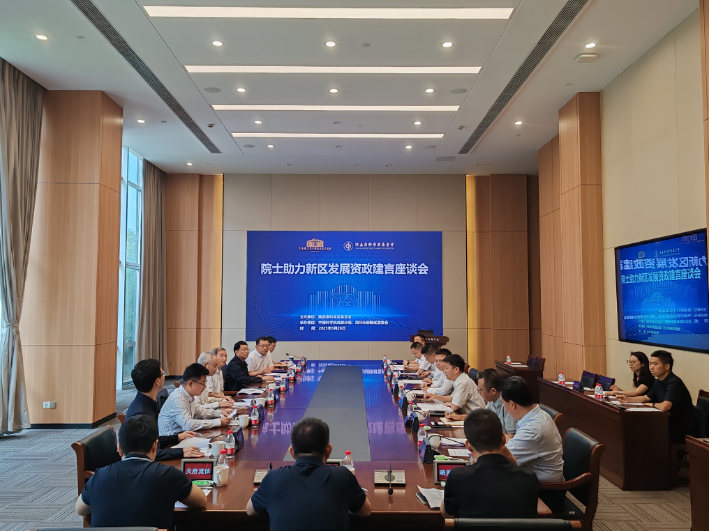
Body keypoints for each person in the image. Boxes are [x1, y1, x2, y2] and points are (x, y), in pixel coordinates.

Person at [75, 415, 206, 528]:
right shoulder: (169, 474)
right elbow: (201, 501)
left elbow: (80, 509)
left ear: (120, 449)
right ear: (155, 446)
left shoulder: (99, 475)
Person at [246, 417, 371, 530]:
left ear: (291, 452)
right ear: (329, 450)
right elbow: (365, 511)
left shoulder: (274, 478)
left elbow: (250, 510)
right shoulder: (343, 476)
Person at [441, 409, 539, 519]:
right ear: (503, 439)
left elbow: (447, 514)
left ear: (468, 446)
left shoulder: (458, 476)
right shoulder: (529, 477)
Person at [502, 376, 564, 511]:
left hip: (545, 491)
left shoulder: (534, 428)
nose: (504, 408)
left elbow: (502, 459)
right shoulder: (536, 414)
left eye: (504, 404)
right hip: (532, 479)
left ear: (512, 404)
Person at [125, 359, 203, 460]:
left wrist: (176, 438)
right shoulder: (140, 414)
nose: (164, 376)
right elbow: (145, 453)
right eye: (163, 374)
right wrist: (182, 452)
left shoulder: (148, 402)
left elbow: (152, 439)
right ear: (157, 381)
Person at [619, 350, 694, 442]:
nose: (651, 367)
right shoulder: (658, 381)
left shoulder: (675, 382)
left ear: (667, 366)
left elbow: (665, 406)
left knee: (640, 431)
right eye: (650, 364)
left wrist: (652, 404)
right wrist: (628, 400)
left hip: (678, 427)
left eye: (655, 364)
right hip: (664, 421)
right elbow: (646, 397)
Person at [158, 363, 232, 436]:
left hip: (185, 436)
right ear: (190, 383)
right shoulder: (178, 398)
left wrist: (220, 413)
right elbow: (188, 425)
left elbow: (200, 412)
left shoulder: (189, 395)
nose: (205, 386)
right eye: (203, 383)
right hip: (172, 441)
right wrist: (218, 422)